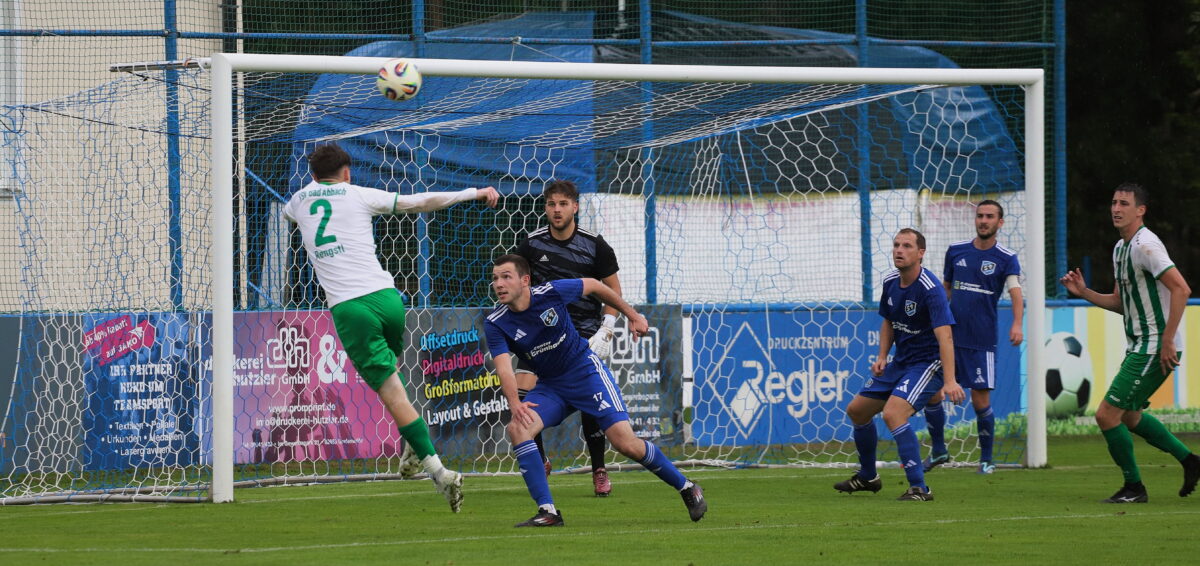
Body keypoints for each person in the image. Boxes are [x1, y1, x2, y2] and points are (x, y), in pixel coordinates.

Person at [282, 142, 501, 513]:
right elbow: (420, 202)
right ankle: (412, 447)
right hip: (389, 300)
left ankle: (439, 472)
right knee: (397, 381)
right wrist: (473, 192)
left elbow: (291, 215)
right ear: (347, 173)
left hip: (352, 309)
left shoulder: (300, 200)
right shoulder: (360, 194)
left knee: (394, 397)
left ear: (313, 175)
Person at [484, 254, 706, 526]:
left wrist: (632, 315)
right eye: (495, 278)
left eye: (506, 276)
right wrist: (514, 405)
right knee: (518, 427)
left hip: (585, 373)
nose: (499, 283)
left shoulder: (550, 293)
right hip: (552, 386)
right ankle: (549, 512)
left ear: (525, 280)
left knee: (625, 443)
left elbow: (595, 285)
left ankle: (687, 487)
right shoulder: (495, 322)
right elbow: (504, 368)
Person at [1060, 182, 1200, 503]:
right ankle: (1190, 460)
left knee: (1107, 415)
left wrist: (1167, 339)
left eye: (1124, 203)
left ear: (1141, 210)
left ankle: (1134, 487)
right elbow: (1121, 303)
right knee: (1129, 416)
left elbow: (1181, 289)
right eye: (1113, 202)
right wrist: (1084, 293)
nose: (1116, 208)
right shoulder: (1121, 248)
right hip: (1140, 345)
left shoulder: (1146, 246)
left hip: (1155, 345)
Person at [834, 228, 965, 501]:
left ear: (921, 253)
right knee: (857, 411)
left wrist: (950, 380)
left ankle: (919, 487)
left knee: (893, 413)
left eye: (906, 245)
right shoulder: (891, 282)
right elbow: (888, 322)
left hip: (929, 363)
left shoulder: (932, 290)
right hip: (902, 361)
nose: (899, 250)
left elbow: (946, 337)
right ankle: (869, 476)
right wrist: (882, 356)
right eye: (896, 245)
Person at [514, 179, 621, 496]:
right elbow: (517, 284)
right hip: (542, 335)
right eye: (551, 204)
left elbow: (613, 290)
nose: (556, 209)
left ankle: (599, 469)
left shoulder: (595, 245)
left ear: (575, 206)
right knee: (523, 396)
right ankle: (542, 460)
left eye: (563, 204)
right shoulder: (531, 245)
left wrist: (608, 328)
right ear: (545, 208)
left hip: (583, 334)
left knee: (589, 402)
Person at [922, 200, 1024, 475]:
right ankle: (939, 450)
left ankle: (987, 460)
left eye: (990, 216)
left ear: (1000, 223)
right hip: (950, 338)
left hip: (981, 340)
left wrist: (1017, 323)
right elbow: (945, 291)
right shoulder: (956, 251)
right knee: (932, 393)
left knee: (980, 401)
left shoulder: (1006, 258)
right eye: (980, 215)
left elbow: (1015, 292)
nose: (983, 220)